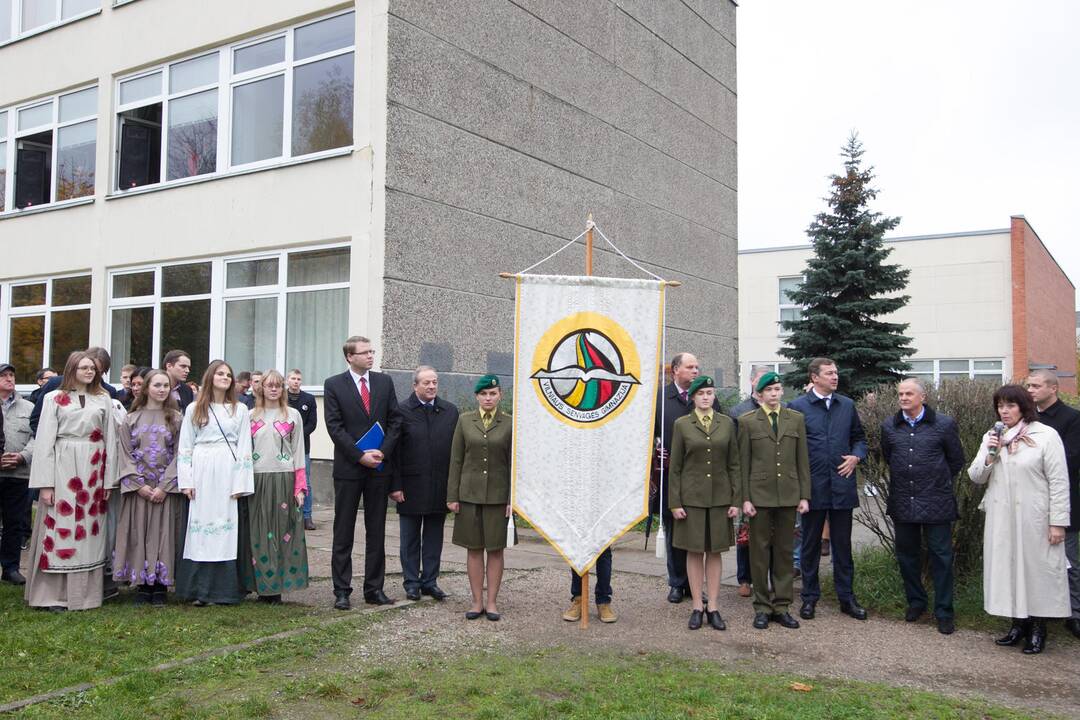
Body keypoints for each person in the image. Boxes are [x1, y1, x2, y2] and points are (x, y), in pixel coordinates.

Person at [968, 384, 1070, 654]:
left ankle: (1038, 628)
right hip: (1002, 518)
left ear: (1023, 407)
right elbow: (976, 476)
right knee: (1008, 569)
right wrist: (991, 452)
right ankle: (1017, 625)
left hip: (1035, 517)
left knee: (1035, 571)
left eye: (1010, 405)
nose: (1004, 411)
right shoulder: (992, 436)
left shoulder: (1046, 436)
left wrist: (1058, 522)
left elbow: (1059, 482)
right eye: (1000, 406)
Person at [24, 351, 119, 611]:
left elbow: (111, 440)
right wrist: (46, 483)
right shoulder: (54, 398)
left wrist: (108, 480)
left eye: (92, 368)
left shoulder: (104, 399)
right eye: (83, 367)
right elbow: (44, 442)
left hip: (93, 469)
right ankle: (52, 596)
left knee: (90, 532)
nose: (89, 372)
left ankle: (85, 596)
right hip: (63, 467)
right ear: (72, 370)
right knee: (60, 527)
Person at [880, 378, 964, 635]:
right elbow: (888, 456)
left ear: (922, 397)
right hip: (904, 500)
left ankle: (944, 611)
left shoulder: (944, 424)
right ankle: (916, 602)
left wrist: (934, 481)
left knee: (941, 557)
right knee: (907, 556)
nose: (903, 398)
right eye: (900, 394)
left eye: (909, 394)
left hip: (936, 502)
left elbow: (956, 460)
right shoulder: (889, 426)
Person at [324, 336, 401, 610]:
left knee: (376, 530)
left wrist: (382, 451)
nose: (371, 356)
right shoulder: (334, 385)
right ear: (349, 357)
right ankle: (342, 590)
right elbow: (334, 427)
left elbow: (395, 420)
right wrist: (359, 455)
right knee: (343, 530)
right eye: (365, 352)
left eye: (372, 351)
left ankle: (374, 588)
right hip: (349, 468)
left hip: (378, 467)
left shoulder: (384, 382)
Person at [789, 357, 868, 621]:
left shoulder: (846, 405)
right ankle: (809, 598)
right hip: (812, 488)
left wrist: (856, 456)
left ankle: (847, 598)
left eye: (836, 373)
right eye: (829, 373)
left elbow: (859, 438)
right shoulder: (797, 407)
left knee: (842, 546)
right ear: (814, 378)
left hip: (842, 487)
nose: (835, 377)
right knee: (810, 546)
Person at [175, 360, 255, 606]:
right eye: (220, 373)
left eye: (228, 375)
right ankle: (198, 589)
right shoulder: (194, 408)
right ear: (210, 377)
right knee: (200, 526)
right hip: (201, 468)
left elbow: (244, 446)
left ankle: (224, 589)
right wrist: (186, 480)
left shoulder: (239, 409)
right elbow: (186, 446)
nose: (225, 377)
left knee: (226, 526)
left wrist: (241, 481)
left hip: (227, 470)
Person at [738, 372, 810, 630]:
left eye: (778, 389)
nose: (774, 394)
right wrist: (745, 498)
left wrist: (804, 495)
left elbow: (802, 460)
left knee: (784, 553)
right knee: (759, 554)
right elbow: (742, 464)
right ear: (759, 394)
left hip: (788, 495)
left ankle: (782, 606)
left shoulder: (796, 419)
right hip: (759, 496)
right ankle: (761, 607)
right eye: (769, 390)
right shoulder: (747, 422)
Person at [669, 376, 740, 631]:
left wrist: (736, 498)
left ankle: (714, 606)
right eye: (701, 393)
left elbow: (734, 463)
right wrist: (675, 502)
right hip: (692, 499)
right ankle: (697, 605)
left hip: (720, 498)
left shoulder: (727, 424)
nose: (706, 397)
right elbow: (675, 467)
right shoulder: (682, 425)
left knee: (715, 551)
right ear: (693, 397)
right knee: (694, 551)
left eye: (710, 393)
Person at [113, 369, 182, 606]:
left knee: (162, 534)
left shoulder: (176, 418)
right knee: (139, 533)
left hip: (165, 489)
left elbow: (181, 454)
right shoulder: (131, 419)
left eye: (166, 386)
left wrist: (165, 485)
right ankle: (142, 584)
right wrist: (138, 484)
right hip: (139, 488)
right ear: (146, 388)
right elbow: (124, 453)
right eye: (157, 385)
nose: (162, 390)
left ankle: (161, 584)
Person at [388, 366, 458, 602]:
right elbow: (394, 452)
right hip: (410, 486)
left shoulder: (449, 411)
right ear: (415, 386)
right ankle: (411, 583)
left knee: (433, 537)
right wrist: (394, 486)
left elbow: (455, 454)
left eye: (435, 382)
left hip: (439, 485)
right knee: (409, 538)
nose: (431, 387)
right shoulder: (401, 410)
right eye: (426, 383)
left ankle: (430, 581)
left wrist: (453, 488)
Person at [447, 375, 512, 621]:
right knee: (474, 550)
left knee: (495, 550)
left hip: (498, 497)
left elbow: (514, 463)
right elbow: (456, 460)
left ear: (500, 396)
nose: (488, 398)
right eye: (483, 394)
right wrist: (452, 496)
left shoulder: (509, 423)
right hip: (469, 496)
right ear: (476, 396)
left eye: (492, 394)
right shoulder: (465, 421)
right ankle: (476, 602)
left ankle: (492, 602)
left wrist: (512, 500)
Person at [655, 352, 717, 603]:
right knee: (675, 531)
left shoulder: (705, 397)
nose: (695, 371)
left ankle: (695, 585)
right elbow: (647, 433)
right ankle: (678, 583)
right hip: (672, 475)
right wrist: (654, 451)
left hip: (704, 477)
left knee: (699, 534)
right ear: (675, 371)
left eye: (697, 367)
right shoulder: (660, 399)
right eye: (690, 367)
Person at [1026, 369, 1080, 639]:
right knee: (1035, 562)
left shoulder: (1072, 419)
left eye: (1036, 386)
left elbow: (1070, 460)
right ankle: (1037, 614)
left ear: (1053, 389)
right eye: (1028, 386)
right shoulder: (1027, 419)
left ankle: (1075, 614)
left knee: (1068, 561)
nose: (1031, 390)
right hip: (1030, 502)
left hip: (1062, 501)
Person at [247, 370, 308, 603]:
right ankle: (262, 586)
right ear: (260, 387)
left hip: (284, 477)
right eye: (269, 385)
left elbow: (299, 450)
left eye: (278, 385)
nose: (273, 389)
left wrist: (300, 487)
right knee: (259, 532)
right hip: (257, 477)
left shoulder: (292, 415)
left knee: (284, 531)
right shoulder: (250, 416)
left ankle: (279, 587)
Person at [728, 367, 786, 598]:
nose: (769, 390)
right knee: (746, 534)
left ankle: (773, 577)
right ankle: (745, 578)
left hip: (776, 484)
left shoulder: (785, 410)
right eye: (763, 382)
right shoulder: (739, 412)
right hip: (750, 482)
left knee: (775, 536)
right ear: (753, 382)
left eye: (774, 386)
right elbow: (736, 453)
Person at [30, 348, 120, 434]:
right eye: (85, 368)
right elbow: (37, 419)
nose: (90, 372)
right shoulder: (56, 384)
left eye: (95, 369)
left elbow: (109, 429)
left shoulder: (107, 393)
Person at [1, 363, 33, 585]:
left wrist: (23, 456)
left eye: (11, 375)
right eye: (3, 375)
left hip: (19, 474)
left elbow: (37, 437)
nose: (9, 379)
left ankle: (10, 568)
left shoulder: (28, 407)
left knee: (14, 523)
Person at [286, 369, 319, 531]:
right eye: (293, 378)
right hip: (283, 445)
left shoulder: (309, 399)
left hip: (303, 446)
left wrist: (298, 436)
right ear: (287, 380)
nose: (296, 381)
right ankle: (288, 515)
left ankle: (307, 516)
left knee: (304, 481)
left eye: (299, 379)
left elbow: (312, 424)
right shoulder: (281, 398)